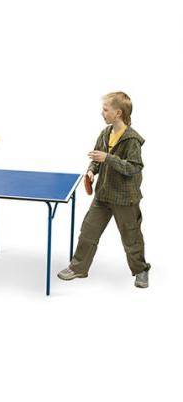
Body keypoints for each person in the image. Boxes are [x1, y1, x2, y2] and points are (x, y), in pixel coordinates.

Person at [58, 92, 151, 288]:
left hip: (125, 199)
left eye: (105, 109)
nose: (102, 113)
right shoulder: (105, 133)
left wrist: (108, 158)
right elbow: (96, 159)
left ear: (118, 113)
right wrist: (92, 171)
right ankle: (78, 268)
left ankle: (141, 270)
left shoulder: (132, 139)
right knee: (88, 232)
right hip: (103, 195)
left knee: (131, 238)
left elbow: (134, 168)